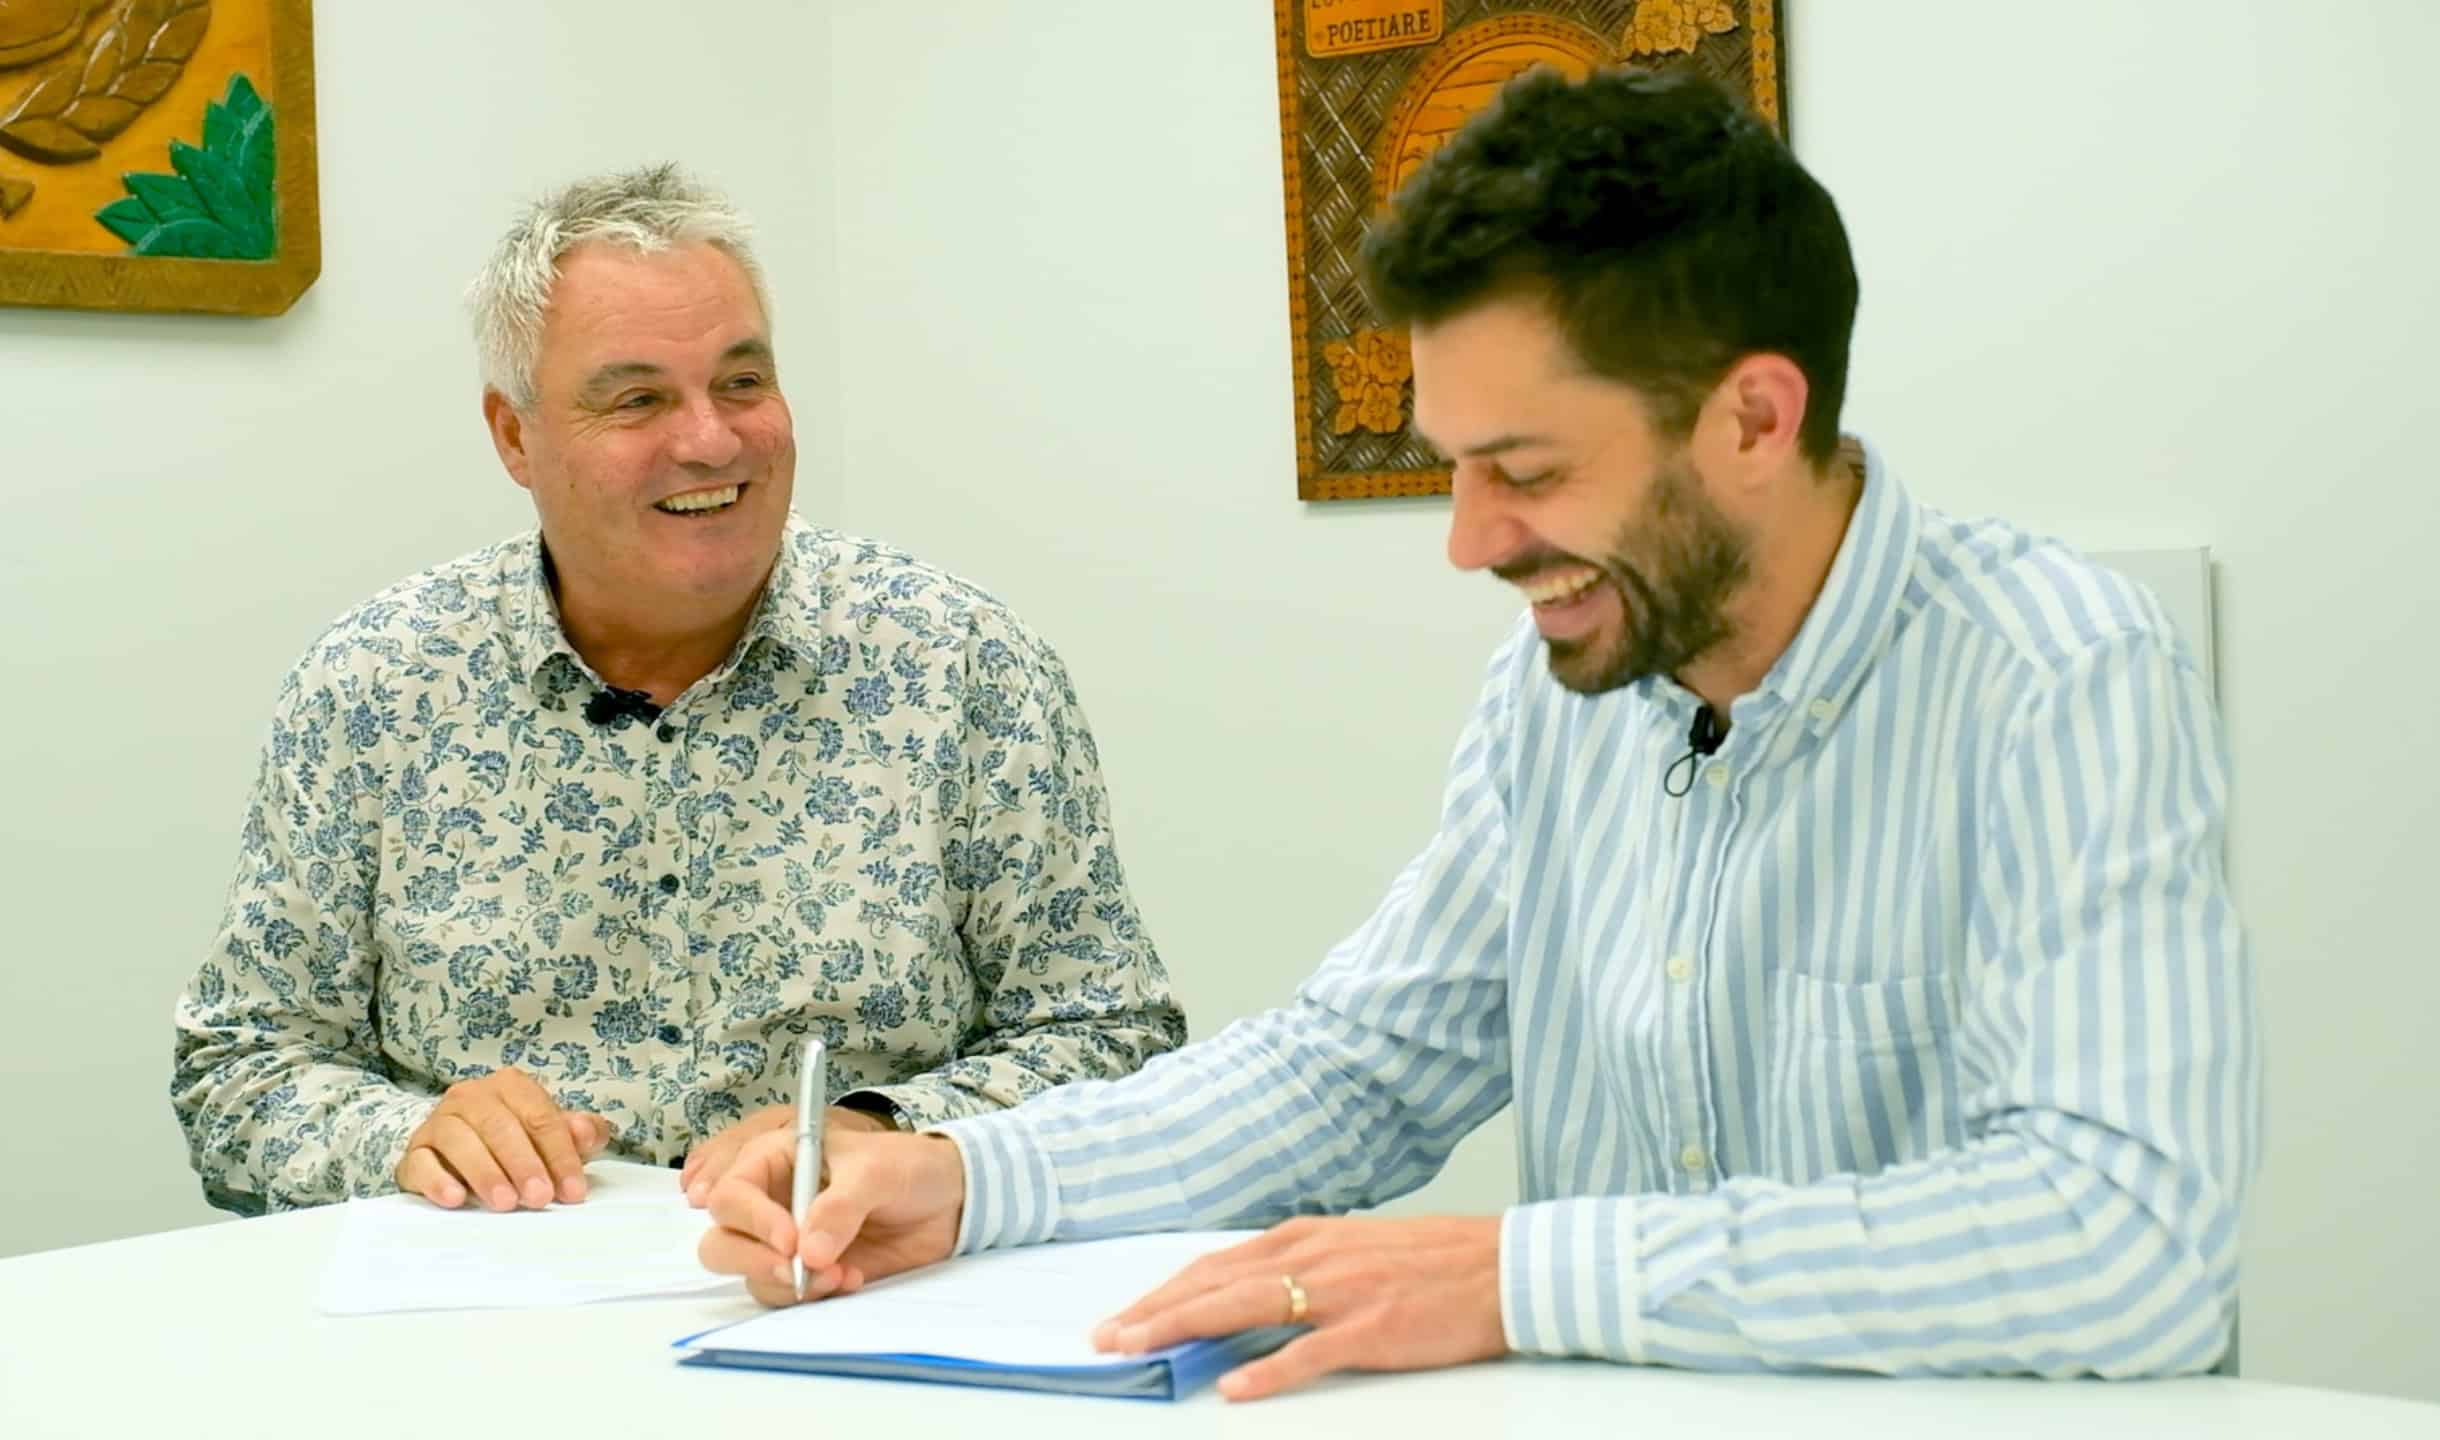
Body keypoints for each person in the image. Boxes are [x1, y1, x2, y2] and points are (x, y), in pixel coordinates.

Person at [698, 68, 2258, 1397]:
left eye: (1524, 467)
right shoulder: (1559, 692)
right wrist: (970, 1183)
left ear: (1756, 421)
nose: (1469, 541)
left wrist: (1521, 1277)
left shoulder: (2057, 681)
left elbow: (2127, 1247)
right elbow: (1357, 1073)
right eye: (1451, 465)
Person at [171, 165, 1184, 1216]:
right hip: (480, 1322)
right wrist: (408, 1138)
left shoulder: (963, 666)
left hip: (852, 1294)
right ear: (515, 436)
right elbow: (241, 1073)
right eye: (637, 398)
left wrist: (887, 1131)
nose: (709, 438)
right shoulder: (373, 686)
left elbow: (1111, 1039)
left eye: (741, 382)